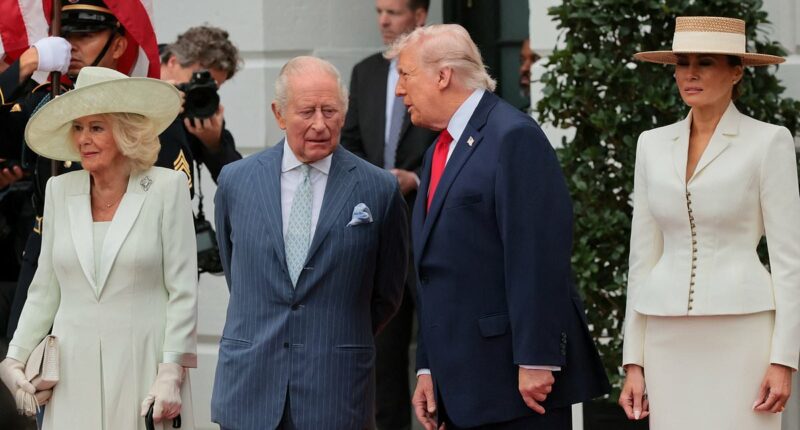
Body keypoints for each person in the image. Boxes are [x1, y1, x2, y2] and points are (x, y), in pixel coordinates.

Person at [386, 24, 610, 430]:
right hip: (457, 386)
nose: (400, 90)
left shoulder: (512, 136)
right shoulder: (438, 149)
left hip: (516, 388)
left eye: (406, 75)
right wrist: (427, 368)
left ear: (443, 76)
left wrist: (538, 358)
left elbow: (538, 255)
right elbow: (436, 274)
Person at [618, 16, 799, 430]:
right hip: (665, 337)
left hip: (743, 333)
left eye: (706, 62)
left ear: (736, 72)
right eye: (682, 62)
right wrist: (634, 362)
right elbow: (642, 257)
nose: (690, 73)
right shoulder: (652, 145)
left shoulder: (769, 141)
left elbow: (790, 261)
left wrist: (783, 359)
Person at [211, 56, 409, 429]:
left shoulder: (378, 189)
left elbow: (388, 293)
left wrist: (331, 329)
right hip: (250, 388)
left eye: (330, 111)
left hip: (336, 391)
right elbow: (239, 273)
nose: (320, 124)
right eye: (307, 112)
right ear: (280, 114)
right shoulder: (236, 182)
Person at [0, 66, 197, 429]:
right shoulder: (60, 190)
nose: (83, 139)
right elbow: (45, 289)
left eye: (96, 127)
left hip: (144, 370)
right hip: (72, 374)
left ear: (125, 132)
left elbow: (183, 290)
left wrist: (172, 370)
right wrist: (14, 358)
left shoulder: (167, 188)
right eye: (78, 127)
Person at [340, 1, 437, 428]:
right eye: (379, 10)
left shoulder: (442, 71)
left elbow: (453, 140)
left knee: (442, 348)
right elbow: (351, 142)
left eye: (394, 12)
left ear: (419, 15)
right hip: (380, 234)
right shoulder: (366, 71)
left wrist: (414, 179)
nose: (383, 20)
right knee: (385, 362)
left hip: (433, 225)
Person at [158, 25, 243, 191]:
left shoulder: (200, 104)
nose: (202, 91)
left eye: (212, 87)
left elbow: (239, 182)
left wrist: (214, 144)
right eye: (196, 81)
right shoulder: (136, 70)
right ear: (173, 62)